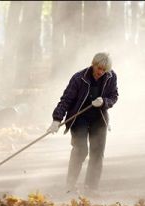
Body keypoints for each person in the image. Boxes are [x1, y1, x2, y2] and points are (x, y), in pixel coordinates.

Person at [47, 52, 118, 194]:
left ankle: (91, 187)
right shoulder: (78, 78)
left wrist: (104, 102)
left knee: (97, 153)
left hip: (99, 118)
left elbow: (114, 96)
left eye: (104, 70)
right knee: (80, 150)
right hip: (79, 118)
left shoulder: (111, 77)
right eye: (99, 68)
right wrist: (56, 119)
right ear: (93, 64)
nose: (101, 72)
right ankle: (70, 184)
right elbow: (66, 100)